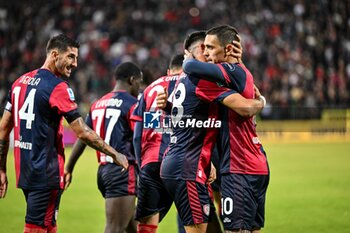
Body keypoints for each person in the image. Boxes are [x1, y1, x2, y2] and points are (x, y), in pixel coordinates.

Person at [0, 34, 128, 233]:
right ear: (54, 55)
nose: (75, 63)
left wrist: (1, 169)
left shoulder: (19, 82)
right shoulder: (57, 87)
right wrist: (114, 153)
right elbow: (82, 132)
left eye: (75, 58)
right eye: (70, 57)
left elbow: (3, 129)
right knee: (35, 228)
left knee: (49, 226)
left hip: (25, 172)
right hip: (46, 174)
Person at [158, 31, 265, 233]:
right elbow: (245, 107)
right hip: (188, 166)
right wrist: (261, 102)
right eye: (203, 49)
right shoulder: (203, 80)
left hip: (188, 162)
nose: (207, 55)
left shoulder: (184, 79)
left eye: (210, 48)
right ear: (191, 54)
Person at [64, 62, 143, 233]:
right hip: (122, 171)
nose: (140, 87)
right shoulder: (133, 104)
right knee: (114, 228)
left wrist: (69, 167)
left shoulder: (98, 103)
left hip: (103, 172)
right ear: (132, 80)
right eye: (139, 82)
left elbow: (83, 136)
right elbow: (138, 138)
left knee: (131, 226)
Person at [131, 54, 183, 233]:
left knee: (148, 221)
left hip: (151, 160)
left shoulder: (151, 88)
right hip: (181, 161)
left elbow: (140, 134)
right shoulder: (190, 85)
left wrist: (140, 164)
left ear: (169, 70)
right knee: (188, 214)